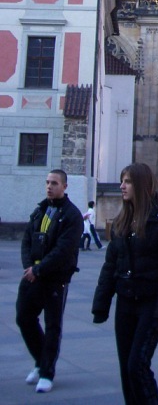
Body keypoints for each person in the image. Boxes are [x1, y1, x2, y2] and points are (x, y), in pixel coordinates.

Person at [92, 163, 158, 405]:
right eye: (122, 181)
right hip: (126, 303)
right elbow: (110, 265)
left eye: (128, 181)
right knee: (126, 369)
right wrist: (101, 304)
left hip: (150, 304)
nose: (121, 186)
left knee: (137, 366)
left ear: (141, 185)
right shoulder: (122, 220)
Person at [16, 169, 83, 394]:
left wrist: (39, 269)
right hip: (32, 275)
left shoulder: (72, 215)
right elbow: (27, 240)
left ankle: (47, 372)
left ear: (64, 186)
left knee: (53, 325)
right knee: (24, 317)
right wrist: (30, 267)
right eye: (47, 182)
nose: (49, 186)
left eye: (54, 183)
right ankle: (40, 360)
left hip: (55, 278)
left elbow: (63, 250)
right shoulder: (40, 210)